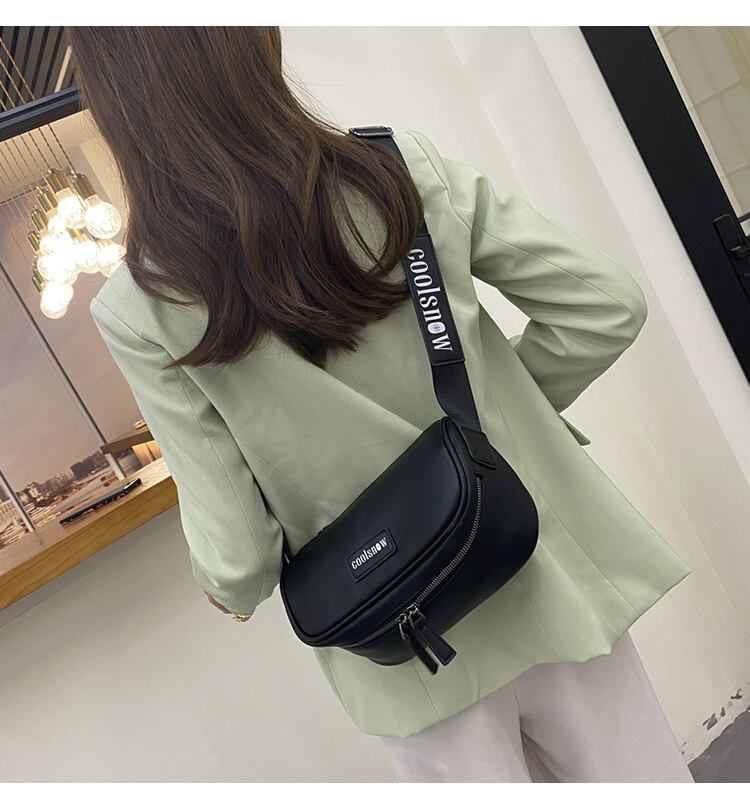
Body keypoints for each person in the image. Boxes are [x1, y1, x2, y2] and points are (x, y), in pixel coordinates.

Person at [68, 27, 693, 783]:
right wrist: (491, 427)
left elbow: (239, 556)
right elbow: (604, 306)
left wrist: (226, 590)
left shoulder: (141, 307)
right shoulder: (397, 170)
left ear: (118, 106)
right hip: (539, 565)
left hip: (404, 639)